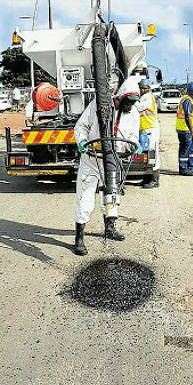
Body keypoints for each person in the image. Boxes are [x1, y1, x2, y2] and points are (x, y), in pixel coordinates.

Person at [73, 77, 142, 256]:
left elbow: (133, 135)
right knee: (85, 198)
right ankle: (79, 238)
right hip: (92, 159)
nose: (130, 106)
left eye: (134, 103)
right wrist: (82, 141)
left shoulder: (134, 113)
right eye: (127, 102)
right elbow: (81, 126)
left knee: (111, 194)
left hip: (113, 160)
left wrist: (134, 143)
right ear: (119, 97)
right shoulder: (99, 105)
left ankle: (109, 229)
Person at [136, 78, 161, 188]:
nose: (142, 90)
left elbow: (140, 107)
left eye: (144, 88)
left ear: (148, 88)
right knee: (146, 154)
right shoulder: (143, 97)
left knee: (153, 154)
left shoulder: (148, 97)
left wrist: (132, 101)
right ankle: (146, 179)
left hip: (151, 129)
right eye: (141, 88)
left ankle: (155, 180)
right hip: (145, 129)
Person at [176, 82, 193, 176]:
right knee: (185, 149)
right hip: (185, 130)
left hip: (187, 130)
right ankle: (183, 168)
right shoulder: (187, 101)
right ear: (189, 91)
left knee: (192, 148)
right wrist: (192, 131)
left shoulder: (189, 99)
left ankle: (190, 166)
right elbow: (187, 117)